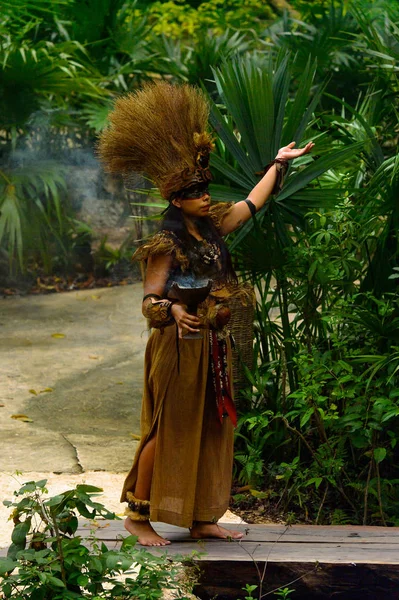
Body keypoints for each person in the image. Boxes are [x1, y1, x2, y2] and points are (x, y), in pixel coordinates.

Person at [98, 82, 314, 546]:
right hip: (179, 348)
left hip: (215, 345)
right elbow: (149, 301)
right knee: (169, 426)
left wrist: (277, 163)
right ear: (176, 198)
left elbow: (251, 204)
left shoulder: (212, 224)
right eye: (194, 191)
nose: (203, 195)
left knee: (214, 427)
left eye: (205, 188)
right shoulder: (166, 241)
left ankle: (201, 517)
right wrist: (174, 308)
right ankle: (138, 514)